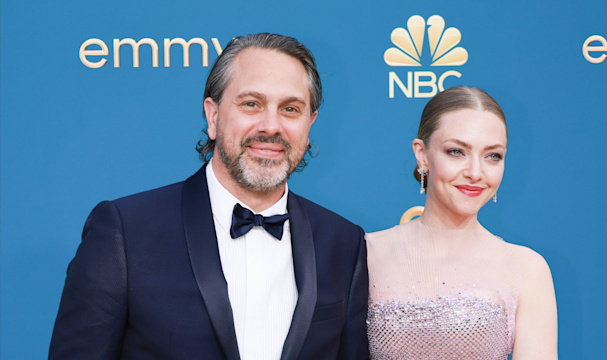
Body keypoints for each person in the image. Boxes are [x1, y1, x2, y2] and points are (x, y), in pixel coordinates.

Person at [50, 33, 369, 360]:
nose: (271, 126)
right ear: (213, 116)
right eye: (251, 104)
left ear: (310, 122)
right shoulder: (124, 233)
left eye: (290, 108)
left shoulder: (343, 243)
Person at [366, 86, 557, 359]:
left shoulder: (526, 268)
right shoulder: (366, 254)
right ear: (422, 155)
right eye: (457, 152)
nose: (475, 173)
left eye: (493, 156)